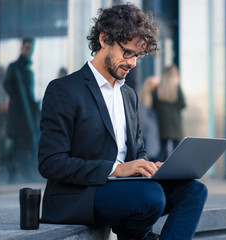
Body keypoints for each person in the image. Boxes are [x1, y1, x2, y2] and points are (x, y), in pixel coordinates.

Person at [38, 4, 207, 240]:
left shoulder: (129, 95)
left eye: (138, 55)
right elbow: (50, 162)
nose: (133, 63)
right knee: (151, 197)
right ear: (104, 39)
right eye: (128, 52)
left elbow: (138, 151)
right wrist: (115, 169)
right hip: (82, 194)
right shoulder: (64, 90)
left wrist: (149, 168)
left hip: (127, 188)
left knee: (194, 190)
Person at [3, 38, 39, 182]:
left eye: (31, 48)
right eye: (27, 48)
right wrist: (18, 100)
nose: (28, 51)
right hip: (17, 116)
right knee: (15, 148)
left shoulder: (28, 71)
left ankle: (23, 175)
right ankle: (13, 177)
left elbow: (29, 95)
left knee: (24, 147)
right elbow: (7, 86)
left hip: (26, 117)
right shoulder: (14, 68)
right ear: (22, 48)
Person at [152, 65, 186, 161]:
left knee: (163, 150)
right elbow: (182, 104)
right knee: (177, 150)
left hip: (163, 123)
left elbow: (154, 106)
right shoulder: (177, 88)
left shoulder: (158, 88)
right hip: (175, 123)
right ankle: (175, 170)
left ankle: (159, 170)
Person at [139, 76, 161, 162]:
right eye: (153, 85)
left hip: (155, 137)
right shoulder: (143, 100)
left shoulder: (157, 101)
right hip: (147, 136)